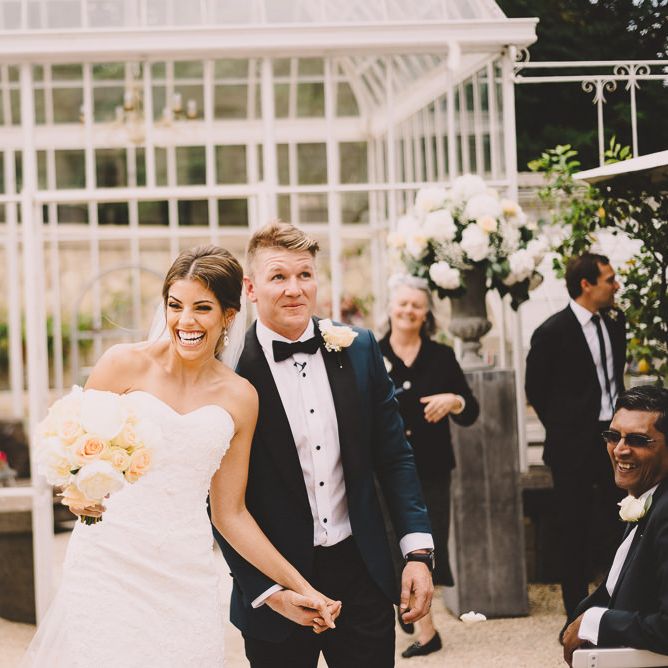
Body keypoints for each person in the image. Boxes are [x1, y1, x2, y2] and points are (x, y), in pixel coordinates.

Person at [21, 245, 338, 667]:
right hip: (107, 562)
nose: (185, 321)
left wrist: (300, 587)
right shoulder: (122, 364)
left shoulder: (241, 397)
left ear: (228, 315)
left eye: (202, 308)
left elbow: (230, 513)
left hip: (185, 572)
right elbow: (72, 456)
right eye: (175, 305)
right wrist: (78, 494)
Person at [214, 222, 435, 668]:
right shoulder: (226, 370)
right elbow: (218, 502)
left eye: (305, 275)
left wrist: (417, 553)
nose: (295, 289)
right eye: (279, 276)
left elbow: (395, 457)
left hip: (362, 575)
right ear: (251, 288)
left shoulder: (359, 348)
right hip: (276, 586)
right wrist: (268, 591)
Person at [379, 275, 479, 658]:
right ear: (391, 308)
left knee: (425, 546)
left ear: (426, 314)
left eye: (416, 305)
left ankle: (427, 631)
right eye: (403, 303)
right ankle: (407, 604)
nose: (408, 310)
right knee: (391, 544)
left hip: (433, 469)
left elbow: (470, 410)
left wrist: (454, 400)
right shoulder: (370, 353)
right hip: (384, 470)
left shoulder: (442, 356)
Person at [525, 252, 626, 619]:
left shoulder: (615, 322)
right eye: (609, 279)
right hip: (572, 445)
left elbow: (615, 379)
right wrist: (566, 427)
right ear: (586, 284)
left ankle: (618, 602)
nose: (616, 286)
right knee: (574, 527)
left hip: (615, 438)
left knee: (620, 520)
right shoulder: (552, 332)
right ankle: (577, 612)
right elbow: (535, 390)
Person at [562, 385, 668, 666]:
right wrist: (578, 622)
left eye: (637, 440)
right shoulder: (650, 497)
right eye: (613, 436)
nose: (620, 450)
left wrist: (596, 622)